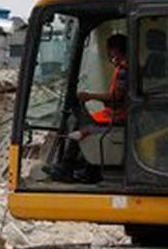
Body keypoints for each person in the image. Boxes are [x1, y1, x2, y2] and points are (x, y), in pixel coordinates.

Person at [46, 33, 128, 183]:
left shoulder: (124, 70)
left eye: (110, 50)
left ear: (115, 50)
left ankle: (68, 166)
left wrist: (90, 96)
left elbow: (116, 97)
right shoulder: (124, 67)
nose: (109, 53)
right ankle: (87, 169)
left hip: (119, 115)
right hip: (115, 113)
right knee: (84, 120)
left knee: (82, 125)